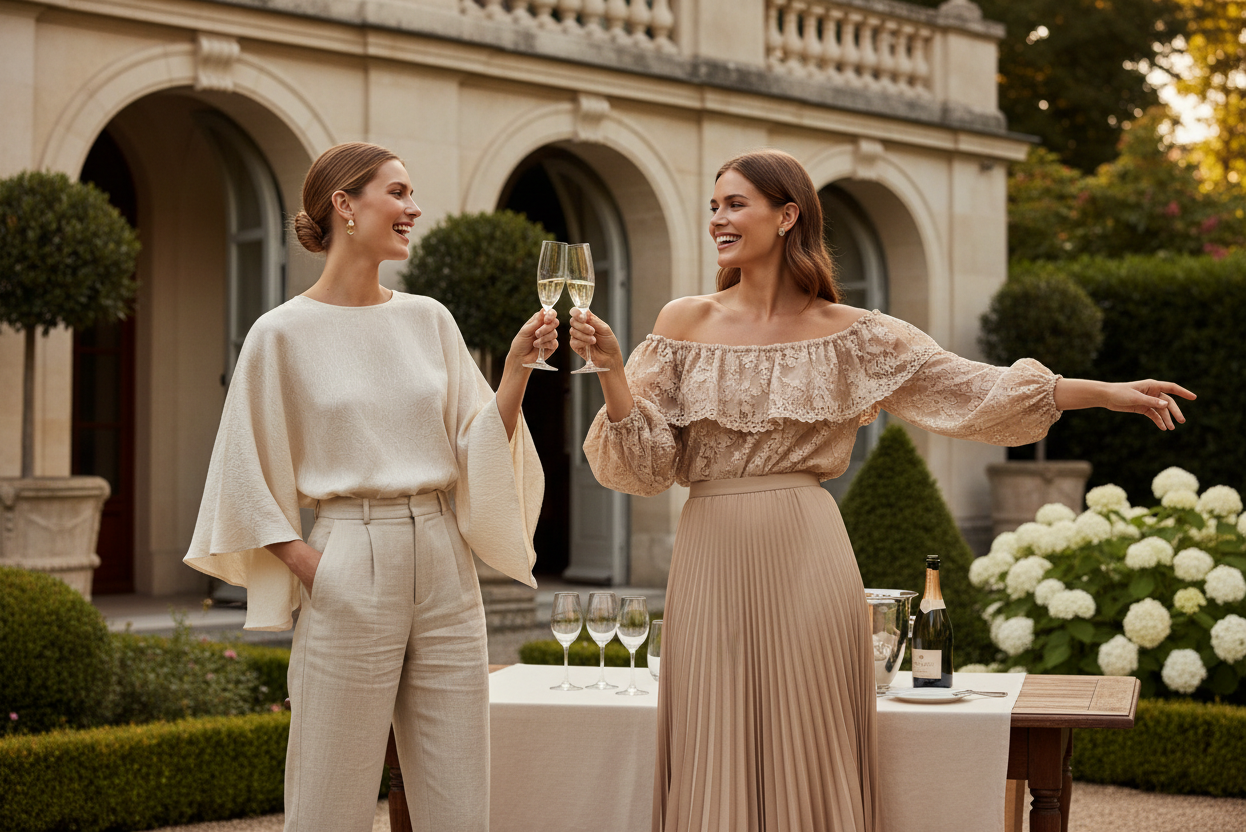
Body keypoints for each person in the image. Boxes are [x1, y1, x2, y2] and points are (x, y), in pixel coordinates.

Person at [569, 148, 1194, 832]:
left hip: (808, 553)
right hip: (708, 554)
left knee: (810, 736)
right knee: (709, 733)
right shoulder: (681, 322)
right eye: (714, 206)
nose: (718, 218)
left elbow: (972, 388)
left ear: (787, 216)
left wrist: (1103, 393)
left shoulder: (853, 335)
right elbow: (646, 465)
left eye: (735, 204)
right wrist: (612, 371)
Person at [184, 142, 556, 832]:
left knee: (459, 794)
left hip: (444, 563)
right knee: (329, 795)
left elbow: (476, 445)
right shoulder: (280, 334)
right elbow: (242, 470)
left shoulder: (429, 319)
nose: (414, 208)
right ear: (344, 205)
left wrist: (514, 372)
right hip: (349, 556)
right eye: (399, 192)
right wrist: (310, 566)